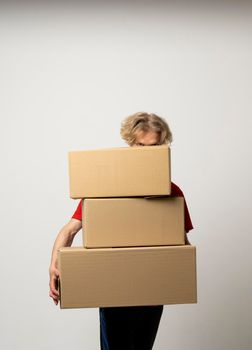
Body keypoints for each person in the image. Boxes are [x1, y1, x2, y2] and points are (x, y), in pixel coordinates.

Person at [49, 111, 193, 350]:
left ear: (163, 145)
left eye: (154, 146)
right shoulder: (108, 187)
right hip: (113, 287)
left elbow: (182, 247)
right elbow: (69, 230)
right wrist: (54, 265)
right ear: (130, 143)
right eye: (140, 145)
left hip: (152, 290)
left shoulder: (173, 191)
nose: (147, 152)